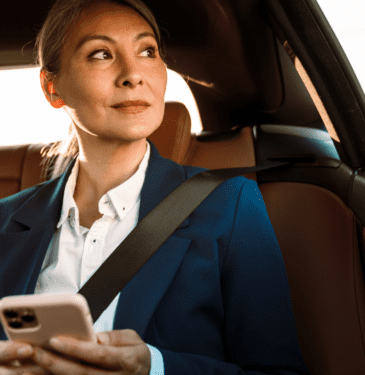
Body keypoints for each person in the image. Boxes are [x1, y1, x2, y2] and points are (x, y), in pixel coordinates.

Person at [0, 0, 311, 374]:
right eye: (101, 54)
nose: (133, 74)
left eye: (147, 51)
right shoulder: (5, 222)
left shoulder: (230, 207)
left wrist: (156, 367)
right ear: (52, 88)